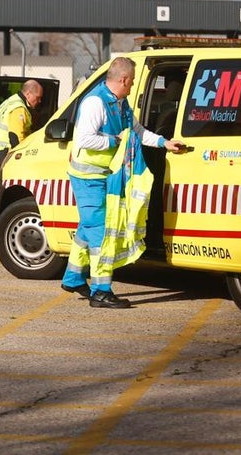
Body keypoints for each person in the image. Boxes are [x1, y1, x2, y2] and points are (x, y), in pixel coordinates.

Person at [61, 57, 184, 308]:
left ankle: (73, 277)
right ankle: (101, 291)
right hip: (88, 176)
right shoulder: (96, 102)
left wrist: (164, 143)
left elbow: (137, 131)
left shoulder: (120, 103)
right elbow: (85, 139)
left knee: (88, 226)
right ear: (124, 80)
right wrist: (114, 141)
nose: (133, 85)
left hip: (104, 174)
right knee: (101, 233)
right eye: (133, 81)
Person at [0, 79, 44, 172]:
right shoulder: (19, 109)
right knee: (8, 179)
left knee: (1, 179)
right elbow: (15, 138)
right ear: (28, 94)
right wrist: (21, 158)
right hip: (2, 150)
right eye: (38, 97)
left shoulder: (13, 100)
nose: (40, 101)